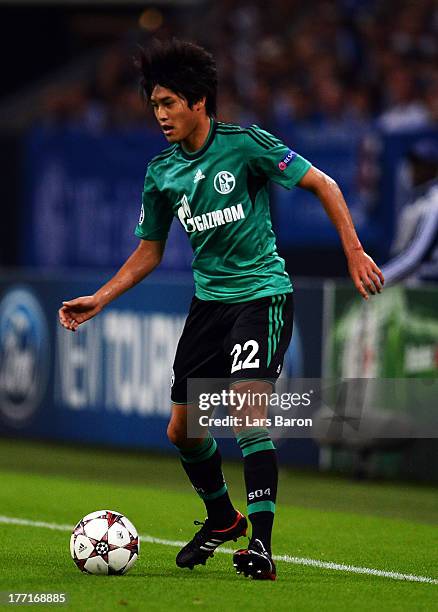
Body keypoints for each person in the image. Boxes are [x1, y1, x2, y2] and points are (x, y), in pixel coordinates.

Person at [58, 39, 384, 580]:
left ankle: (261, 545)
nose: (160, 115)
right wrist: (101, 297)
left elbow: (322, 184)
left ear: (199, 101)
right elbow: (149, 251)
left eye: (169, 103)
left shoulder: (246, 144)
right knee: (182, 432)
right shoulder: (161, 173)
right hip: (209, 306)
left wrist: (353, 250)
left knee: (244, 411)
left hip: (261, 295)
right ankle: (222, 518)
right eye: (154, 105)